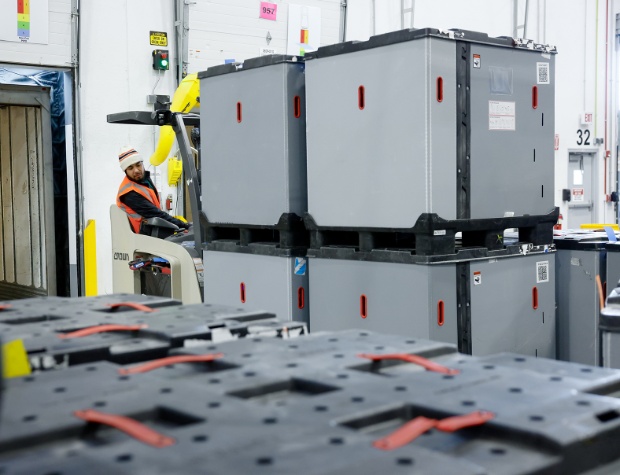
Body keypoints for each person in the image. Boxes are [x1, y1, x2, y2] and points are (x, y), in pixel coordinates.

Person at [116, 146, 190, 234]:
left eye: (138, 165)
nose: (136, 170)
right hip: (144, 237)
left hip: (154, 230)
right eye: (130, 168)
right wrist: (184, 226)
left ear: (142, 163)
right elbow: (156, 214)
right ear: (125, 171)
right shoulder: (129, 193)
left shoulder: (144, 181)